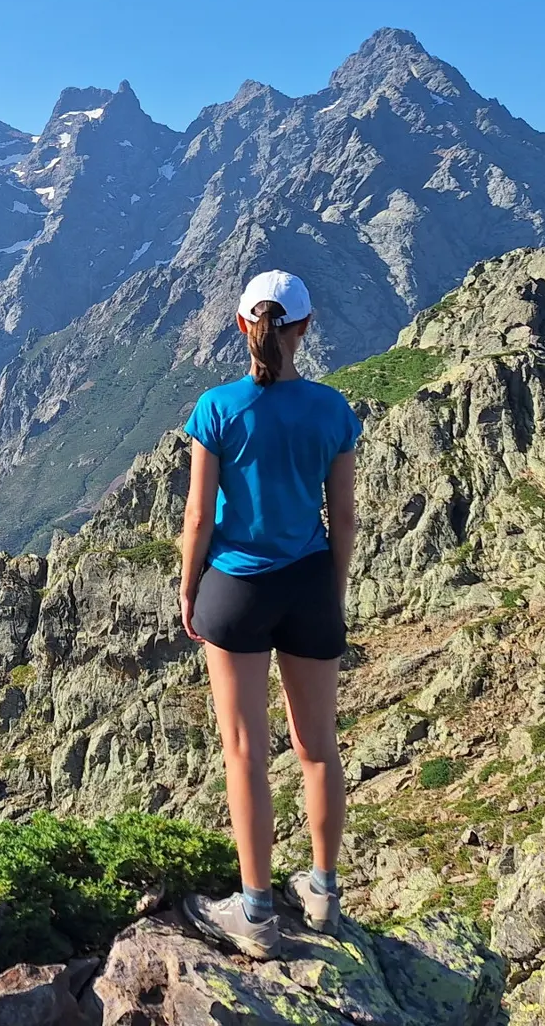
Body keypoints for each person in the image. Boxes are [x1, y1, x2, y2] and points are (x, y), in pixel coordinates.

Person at [177, 270, 360, 958]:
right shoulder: (332, 409)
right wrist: (332, 590)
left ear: (239, 325)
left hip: (236, 588)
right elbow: (342, 516)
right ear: (305, 329)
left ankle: (254, 912)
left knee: (245, 751)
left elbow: (198, 515)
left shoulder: (217, 408)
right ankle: (322, 891)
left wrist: (189, 586)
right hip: (310, 583)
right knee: (318, 749)